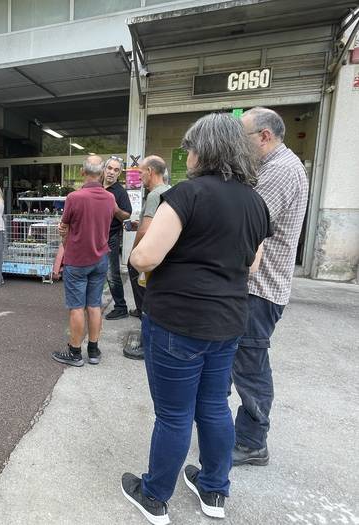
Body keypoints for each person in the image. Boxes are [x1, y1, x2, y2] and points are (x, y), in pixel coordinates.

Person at [121, 113, 271, 524]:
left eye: (190, 147)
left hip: (177, 322)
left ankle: (154, 496)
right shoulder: (256, 202)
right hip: (227, 322)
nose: (186, 154)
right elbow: (252, 266)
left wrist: (137, 259)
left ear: (205, 150)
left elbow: (146, 256)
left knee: (173, 414)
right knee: (215, 406)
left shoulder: (187, 195)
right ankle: (214, 490)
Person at [232, 107, 309, 467]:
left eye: (243, 137)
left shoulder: (280, 170)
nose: (239, 145)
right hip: (257, 286)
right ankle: (244, 434)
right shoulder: (273, 166)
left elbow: (245, 221)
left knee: (250, 366)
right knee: (243, 361)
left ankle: (252, 441)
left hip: (260, 288)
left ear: (264, 136)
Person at [51, 155, 115, 367]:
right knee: (94, 305)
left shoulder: (74, 197)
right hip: (100, 258)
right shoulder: (109, 198)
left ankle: (75, 353)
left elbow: (65, 226)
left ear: (82, 172)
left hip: (78, 259)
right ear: (102, 173)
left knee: (77, 307)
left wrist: (62, 231)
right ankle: (94, 351)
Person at [123, 156, 171, 360]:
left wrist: (133, 255)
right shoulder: (172, 191)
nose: (138, 176)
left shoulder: (154, 195)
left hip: (148, 255)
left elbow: (146, 230)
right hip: (163, 254)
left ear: (150, 171)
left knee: (144, 297)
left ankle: (145, 343)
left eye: (141, 172)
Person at [103, 156, 133, 320]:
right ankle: (92, 303)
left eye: (116, 170)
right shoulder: (97, 186)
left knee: (112, 274)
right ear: (104, 168)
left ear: (120, 173)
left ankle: (121, 307)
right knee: (92, 271)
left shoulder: (120, 192)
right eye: (110, 168)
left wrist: (115, 209)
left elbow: (127, 215)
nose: (112, 172)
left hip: (110, 238)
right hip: (93, 237)